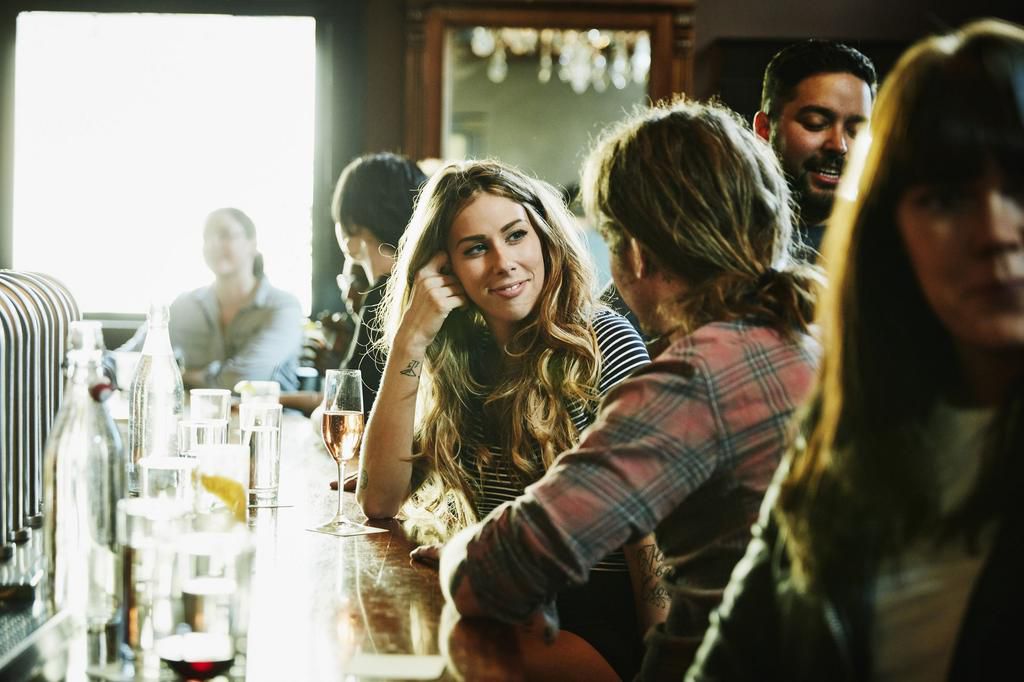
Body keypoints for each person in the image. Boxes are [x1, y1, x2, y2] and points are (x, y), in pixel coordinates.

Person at [436, 99, 822, 681]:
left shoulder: (688, 384)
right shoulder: (819, 339)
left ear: (635, 255)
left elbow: (486, 578)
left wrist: (455, 548)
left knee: (464, 638)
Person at [687, 19, 1024, 681]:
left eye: (1021, 187)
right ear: (894, 231)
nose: (995, 232)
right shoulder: (841, 436)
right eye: (947, 199)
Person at [358, 160, 651, 678]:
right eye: (476, 248)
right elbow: (379, 499)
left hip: (593, 616)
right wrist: (411, 339)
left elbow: (652, 523)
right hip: (503, 604)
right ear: (443, 270)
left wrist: (662, 659)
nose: (503, 263)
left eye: (516, 236)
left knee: (429, 662)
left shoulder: (603, 341)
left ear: (544, 239)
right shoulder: (462, 358)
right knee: (388, 649)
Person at [288, 153, 428, 418]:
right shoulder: (426, 287)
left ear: (352, 224)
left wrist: (318, 416)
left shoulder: (385, 295)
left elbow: (344, 410)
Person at [120, 207, 303, 391]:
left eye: (225, 235)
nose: (213, 244)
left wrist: (178, 376)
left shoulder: (284, 308)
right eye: (207, 237)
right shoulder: (185, 306)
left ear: (252, 244)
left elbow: (243, 379)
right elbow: (128, 360)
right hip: (196, 410)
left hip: (271, 410)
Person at [753, 39, 877, 254]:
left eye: (855, 131)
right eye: (816, 124)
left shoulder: (888, 246)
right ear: (764, 129)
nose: (839, 146)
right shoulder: (722, 238)